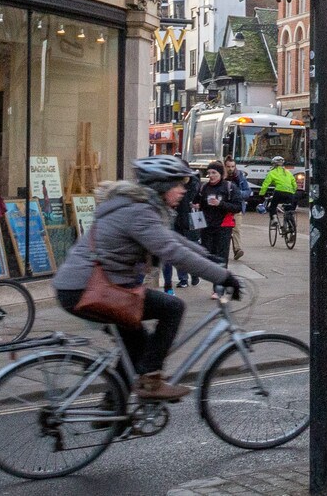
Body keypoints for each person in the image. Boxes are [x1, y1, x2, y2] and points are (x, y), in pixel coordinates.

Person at [52, 155, 240, 402]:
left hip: (88, 285)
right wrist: (223, 276)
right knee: (172, 307)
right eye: (178, 184)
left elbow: (170, 240)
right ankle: (151, 381)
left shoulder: (140, 207)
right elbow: (172, 252)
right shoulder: (139, 211)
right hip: (90, 288)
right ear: (162, 186)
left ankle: (112, 409)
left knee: (136, 345)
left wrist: (206, 256)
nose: (183, 190)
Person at [193, 163, 239, 281]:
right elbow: (198, 202)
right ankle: (214, 279)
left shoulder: (230, 187)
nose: (211, 176)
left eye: (214, 173)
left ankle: (219, 286)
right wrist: (197, 205)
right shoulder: (204, 187)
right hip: (207, 227)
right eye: (209, 173)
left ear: (221, 174)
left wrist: (220, 204)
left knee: (221, 257)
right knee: (208, 255)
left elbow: (237, 207)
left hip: (223, 226)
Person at [257, 159, 298, 230]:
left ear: (273, 165)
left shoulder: (272, 172)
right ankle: (292, 227)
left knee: (273, 206)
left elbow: (265, 184)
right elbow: (294, 184)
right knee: (288, 210)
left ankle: (274, 219)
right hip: (290, 193)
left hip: (279, 192)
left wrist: (261, 194)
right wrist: (293, 192)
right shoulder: (288, 172)